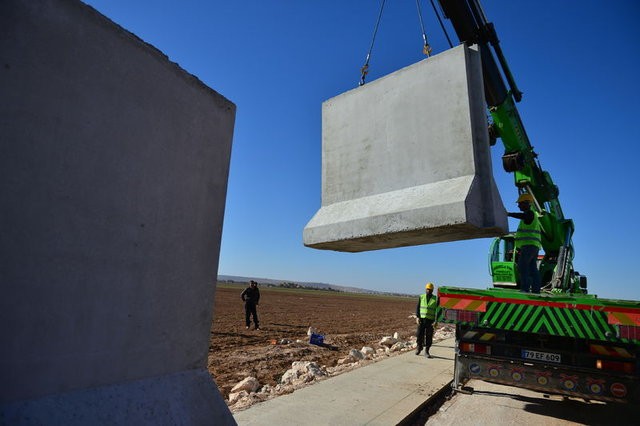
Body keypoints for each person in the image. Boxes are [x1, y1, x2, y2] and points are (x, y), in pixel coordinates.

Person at [508, 193, 543, 294]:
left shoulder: (530, 214)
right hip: (532, 246)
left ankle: (525, 289)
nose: (518, 205)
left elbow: (523, 216)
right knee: (532, 268)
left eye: (520, 203)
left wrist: (508, 214)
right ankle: (536, 290)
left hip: (529, 245)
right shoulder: (531, 215)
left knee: (522, 266)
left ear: (527, 203)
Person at [416, 282, 438, 358]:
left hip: (430, 321)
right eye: (427, 289)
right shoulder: (421, 297)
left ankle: (427, 351)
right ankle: (419, 347)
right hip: (422, 320)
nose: (428, 291)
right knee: (419, 334)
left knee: (429, 337)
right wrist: (417, 317)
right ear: (425, 289)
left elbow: (438, 311)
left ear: (432, 290)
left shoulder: (435, 299)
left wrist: (436, 321)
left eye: (430, 289)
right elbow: (418, 307)